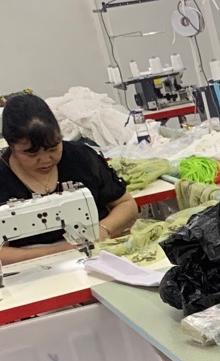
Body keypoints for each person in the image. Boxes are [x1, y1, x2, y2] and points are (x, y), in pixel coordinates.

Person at [0, 95, 136, 265]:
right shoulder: (3, 177)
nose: (45, 159)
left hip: (96, 256)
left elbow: (126, 204)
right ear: (11, 145)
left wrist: (103, 229)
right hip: (29, 268)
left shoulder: (80, 157)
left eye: (53, 148)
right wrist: (58, 252)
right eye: (32, 153)